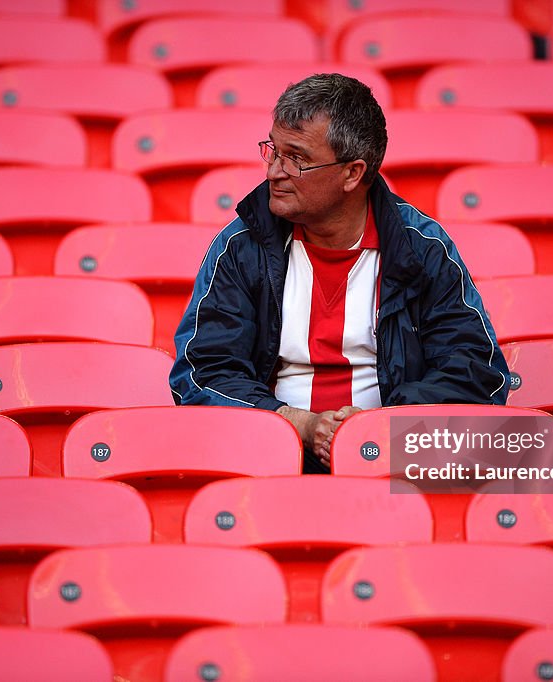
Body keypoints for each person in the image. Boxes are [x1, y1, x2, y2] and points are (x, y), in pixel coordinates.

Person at [170, 73, 509, 472]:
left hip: (391, 460)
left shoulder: (421, 248)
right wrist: (297, 423)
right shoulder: (242, 244)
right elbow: (203, 372)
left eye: (296, 159)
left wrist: (375, 428)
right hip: (268, 458)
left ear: (352, 173)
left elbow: (475, 370)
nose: (274, 172)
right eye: (273, 151)